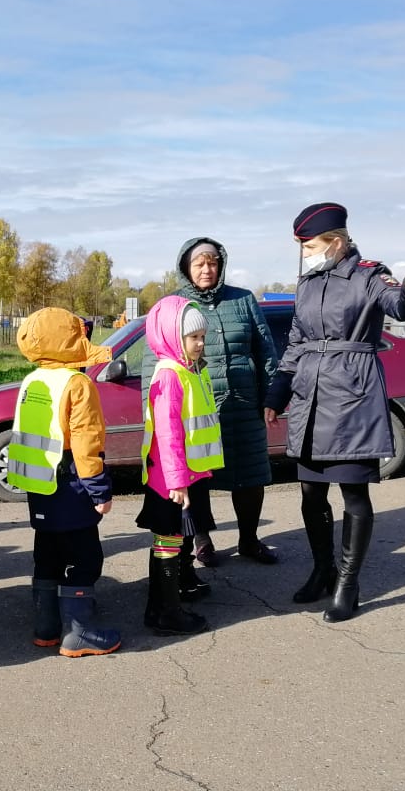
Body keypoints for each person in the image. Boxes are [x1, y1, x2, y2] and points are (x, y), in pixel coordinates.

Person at [264, 202, 405, 622]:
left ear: (337, 241)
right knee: (310, 492)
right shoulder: (306, 284)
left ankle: (348, 582)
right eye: (303, 247)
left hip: (352, 395)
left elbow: (399, 306)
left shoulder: (368, 276)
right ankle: (322, 569)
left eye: (310, 245)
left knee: (353, 493)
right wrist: (276, 393)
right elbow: (295, 342)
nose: (306, 253)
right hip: (310, 396)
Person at [142, 237, 280, 579]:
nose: (207, 269)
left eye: (213, 262)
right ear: (186, 267)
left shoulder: (243, 300)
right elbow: (153, 363)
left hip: (245, 407)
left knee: (250, 477)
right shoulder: (174, 305)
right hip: (199, 411)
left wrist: (271, 398)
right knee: (197, 479)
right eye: (199, 263)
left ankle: (249, 539)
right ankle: (201, 539)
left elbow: (265, 352)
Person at [9, 307, 120, 658]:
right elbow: (87, 442)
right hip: (71, 481)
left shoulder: (33, 380)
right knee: (85, 557)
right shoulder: (78, 383)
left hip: (39, 484)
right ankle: (79, 631)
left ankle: (46, 625)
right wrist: (99, 490)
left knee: (47, 554)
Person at [137, 296, 221, 636]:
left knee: (169, 541)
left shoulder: (189, 370)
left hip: (187, 475)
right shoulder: (171, 374)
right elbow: (169, 431)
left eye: (202, 337)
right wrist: (178, 481)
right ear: (173, 337)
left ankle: (160, 608)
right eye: (193, 338)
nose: (199, 344)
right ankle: (168, 614)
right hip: (173, 480)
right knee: (168, 540)